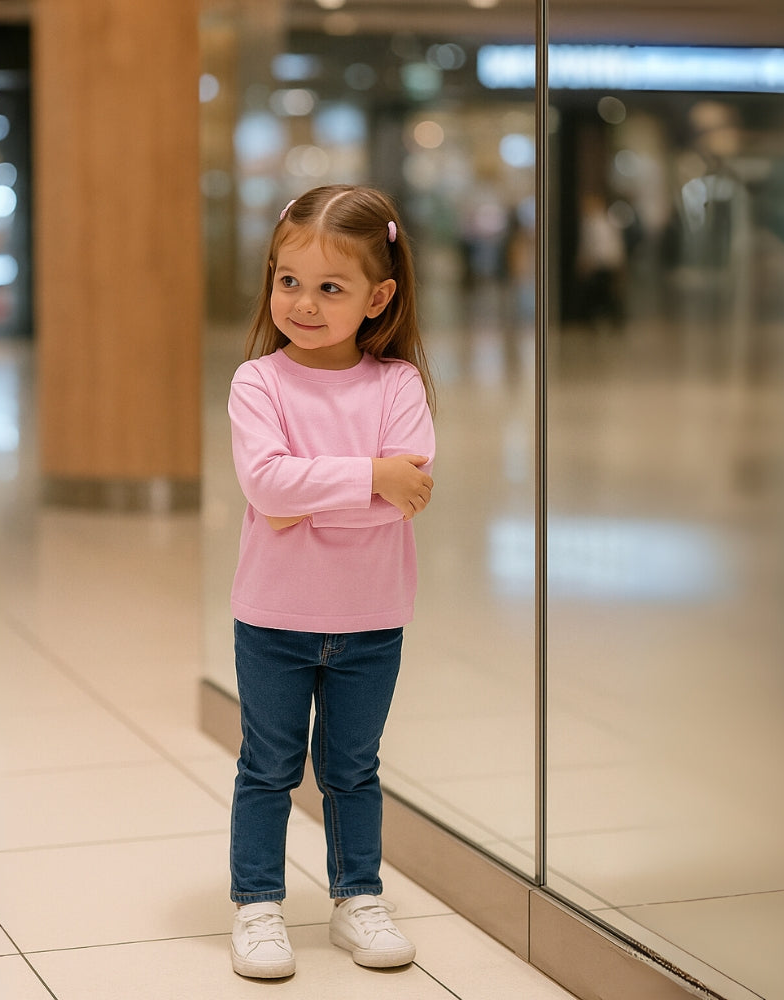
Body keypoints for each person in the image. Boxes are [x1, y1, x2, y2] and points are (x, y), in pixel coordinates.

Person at [226, 184, 437, 979]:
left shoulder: (398, 386)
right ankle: (257, 906)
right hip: (273, 619)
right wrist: (369, 478)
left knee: (353, 770)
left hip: (372, 619)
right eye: (289, 281)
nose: (304, 303)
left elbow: (406, 496)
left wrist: (307, 493)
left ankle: (358, 898)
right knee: (268, 768)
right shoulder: (259, 383)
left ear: (377, 297)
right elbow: (267, 487)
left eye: (330, 287)